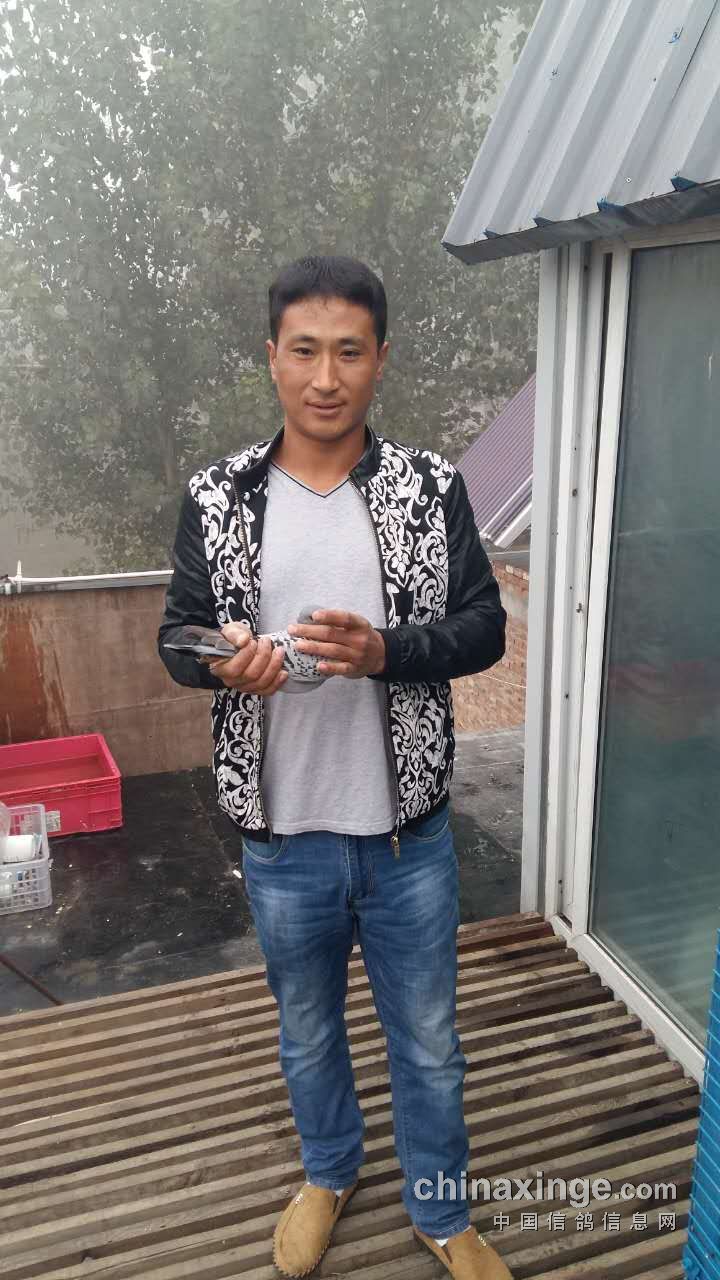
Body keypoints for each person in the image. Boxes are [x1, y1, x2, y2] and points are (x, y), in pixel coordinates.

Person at [158, 254, 511, 1280]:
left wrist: (386, 649)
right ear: (271, 355)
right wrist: (224, 658)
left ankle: (442, 1209)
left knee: (430, 1039)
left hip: (409, 839)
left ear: (380, 359)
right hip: (283, 838)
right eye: (304, 350)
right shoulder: (219, 495)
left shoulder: (427, 489)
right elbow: (175, 635)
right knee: (308, 1031)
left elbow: (485, 626)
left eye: (348, 352)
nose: (325, 377)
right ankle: (328, 1173)